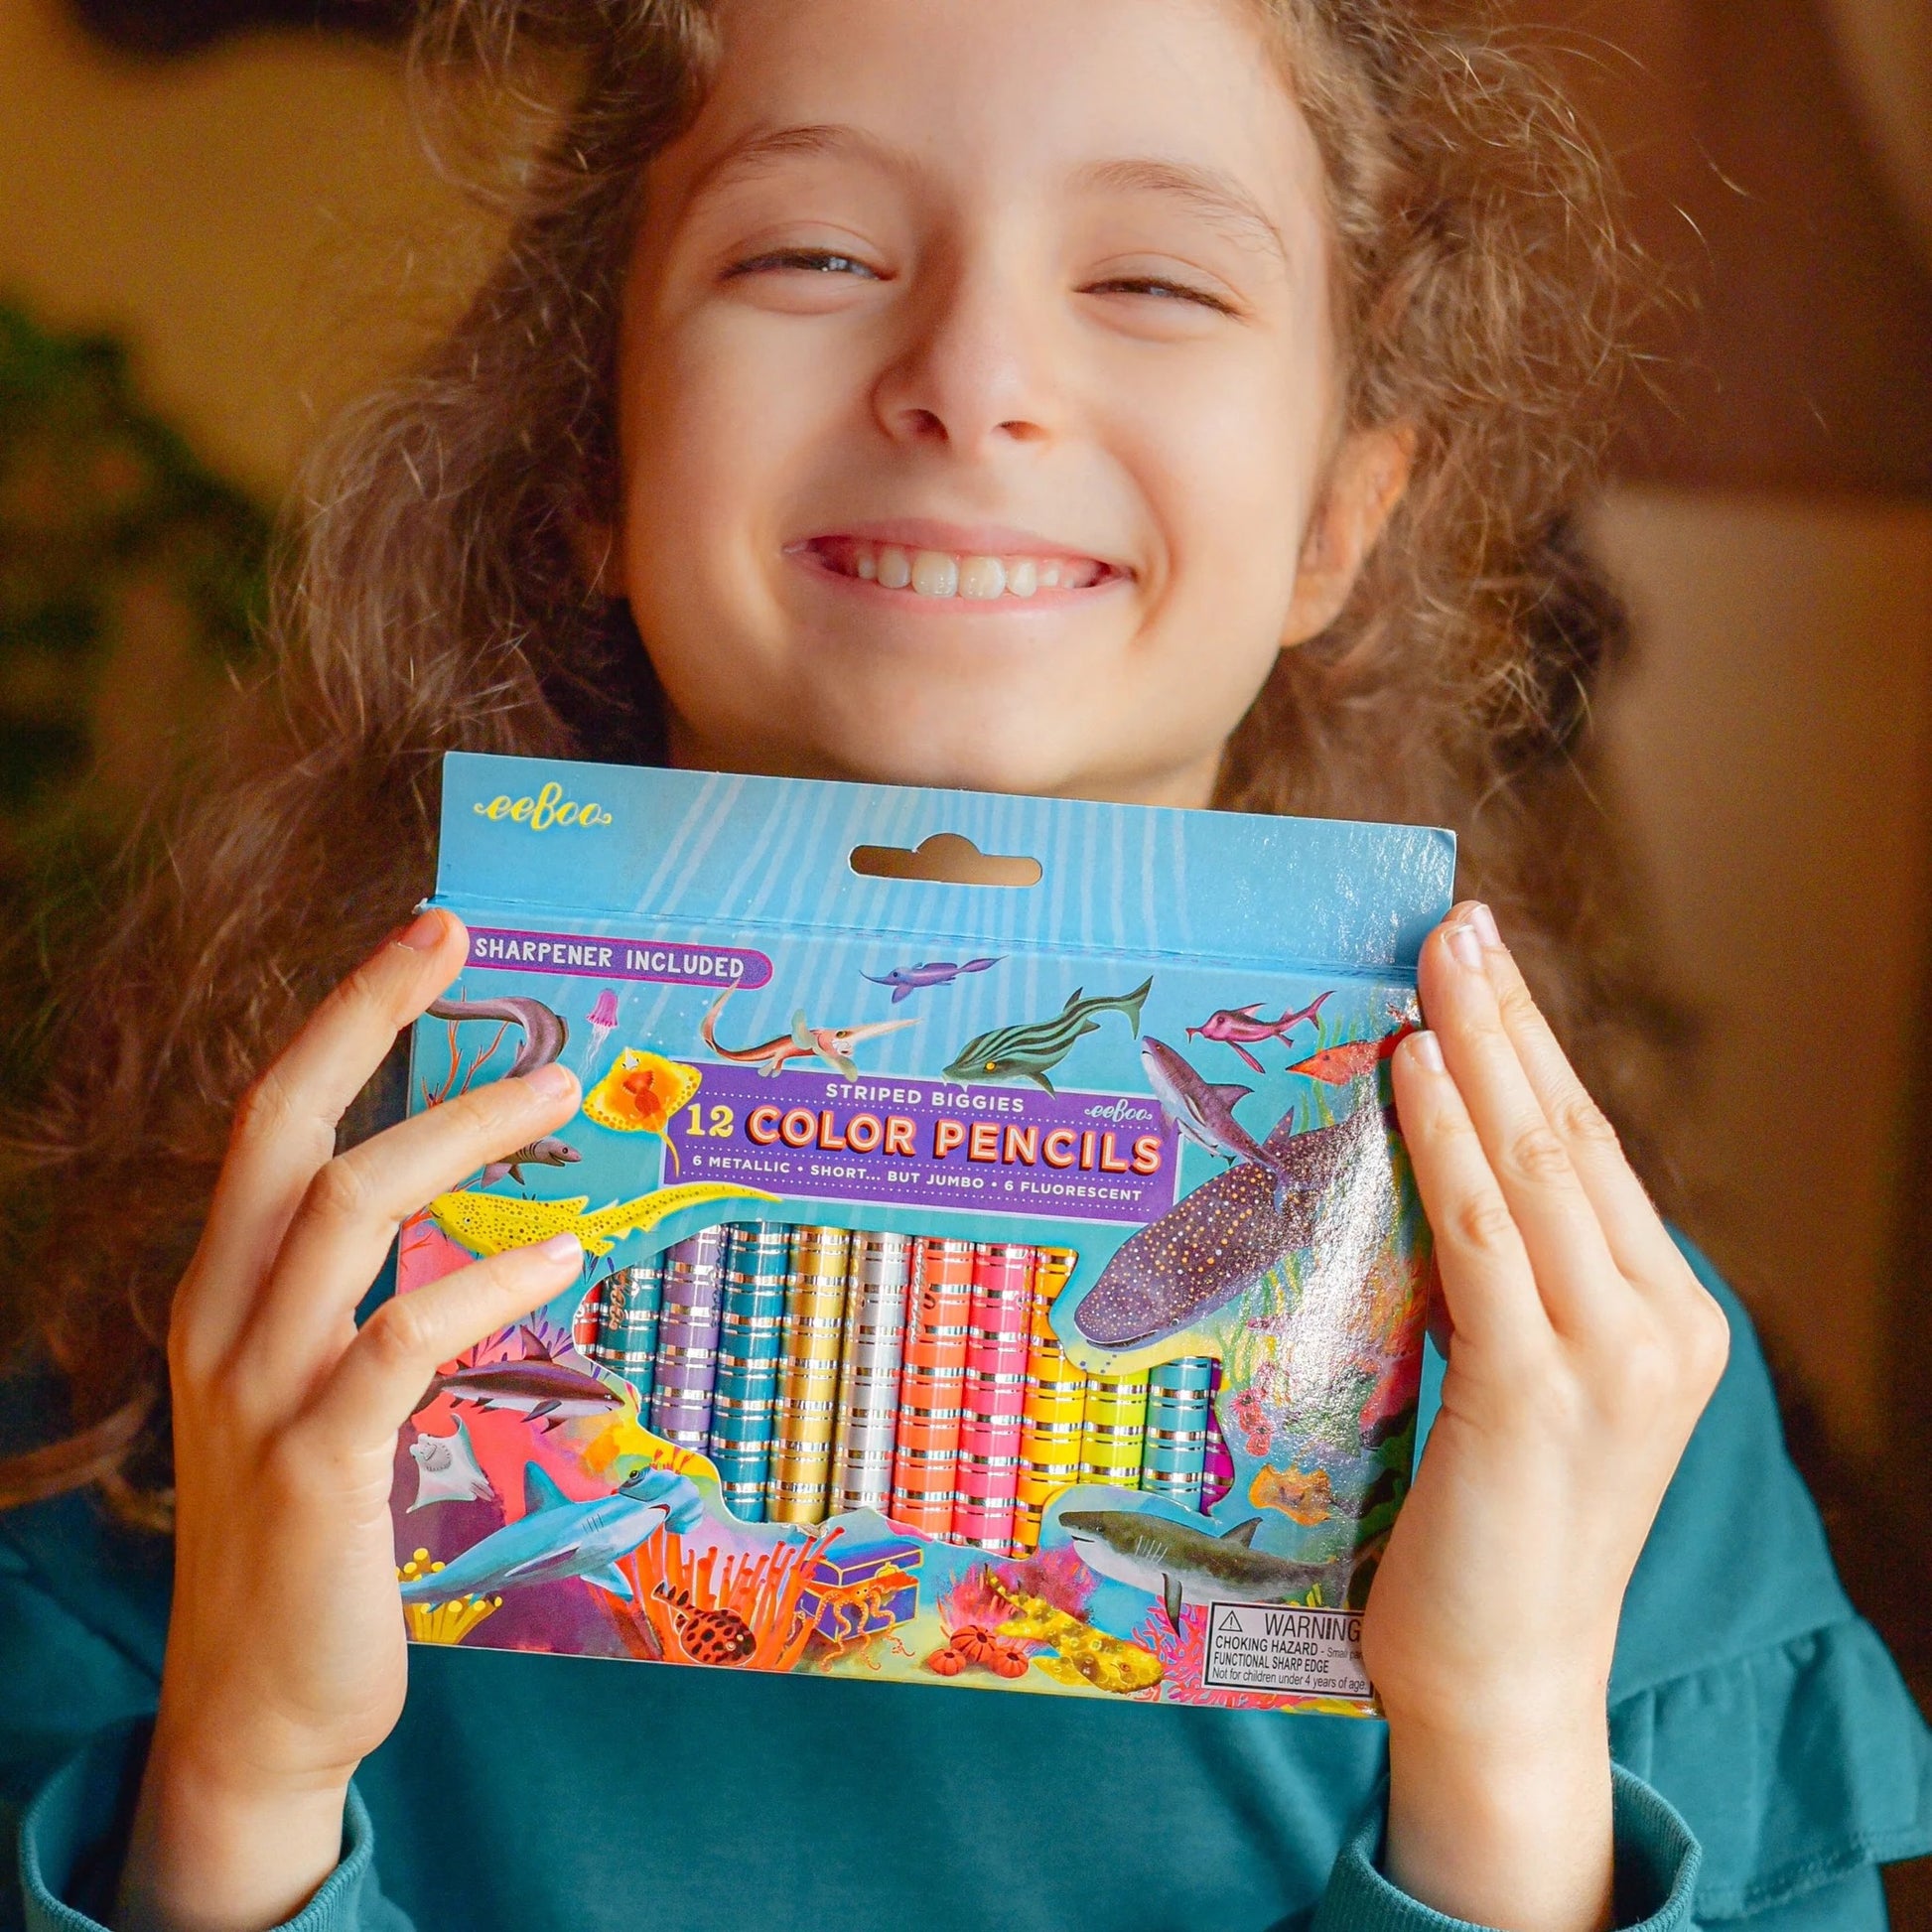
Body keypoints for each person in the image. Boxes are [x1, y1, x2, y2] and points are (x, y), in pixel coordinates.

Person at [3, 0, 1928, 1927]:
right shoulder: (186, 1345)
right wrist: (241, 1774)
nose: (974, 377)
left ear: (1342, 517)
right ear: (589, 453)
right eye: (814, 253)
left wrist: (1506, 1763)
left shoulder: (1596, 1382)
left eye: (1157, 279)